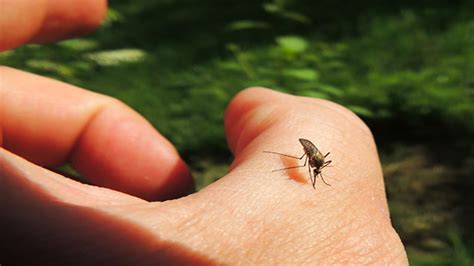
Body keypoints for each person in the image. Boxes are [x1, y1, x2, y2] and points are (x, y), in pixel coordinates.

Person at [0, 1, 408, 264]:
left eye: (316, 170)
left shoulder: (315, 164)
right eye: (316, 168)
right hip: (300, 151)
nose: (315, 169)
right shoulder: (307, 159)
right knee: (297, 157)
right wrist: (304, 160)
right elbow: (307, 152)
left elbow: (315, 159)